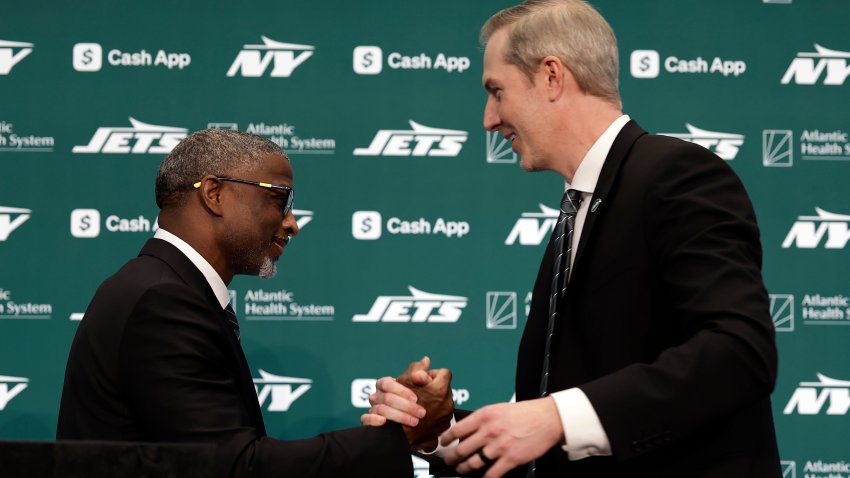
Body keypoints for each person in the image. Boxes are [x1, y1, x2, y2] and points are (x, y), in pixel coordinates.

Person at [363, 1, 781, 476]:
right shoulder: (577, 209)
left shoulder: (675, 174)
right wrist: (438, 432)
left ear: (551, 77)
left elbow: (740, 353)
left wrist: (556, 416)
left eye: (497, 92)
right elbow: (546, 425)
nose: (488, 119)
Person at [56, 129, 453, 478]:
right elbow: (235, 467)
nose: (292, 222)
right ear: (215, 194)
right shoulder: (163, 300)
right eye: (280, 199)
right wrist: (396, 436)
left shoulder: (163, 287)